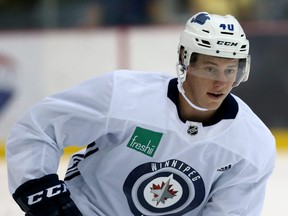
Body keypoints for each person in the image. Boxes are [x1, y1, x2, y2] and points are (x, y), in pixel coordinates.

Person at [6, 12, 276, 216]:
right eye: (210, 68)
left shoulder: (252, 145)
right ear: (185, 59)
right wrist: (39, 190)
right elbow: (39, 127)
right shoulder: (124, 94)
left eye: (230, 70)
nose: (221, 82)